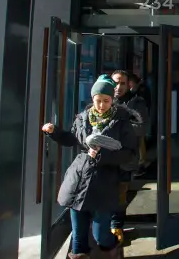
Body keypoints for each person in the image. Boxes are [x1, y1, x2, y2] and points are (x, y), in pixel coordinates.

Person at [41, 75, 137, 259]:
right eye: (98, 100)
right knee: (78, 237)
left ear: (112, 100)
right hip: (79, 180)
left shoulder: (122, 122)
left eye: (106, 101)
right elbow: (71, 139)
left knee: (101, 234)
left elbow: (130, 153)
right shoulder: (82, 118)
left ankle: (111, 248)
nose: (101, 105)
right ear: (92, 99)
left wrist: (103, 155)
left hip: (104, 183)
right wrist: (55, 133)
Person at [109, 70, 148, 243]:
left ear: (129, 85)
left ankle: (116, 225)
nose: (119, 87)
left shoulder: (136, 103)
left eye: (123, 83)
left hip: (125, 158)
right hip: (104, 158)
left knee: (120, 194)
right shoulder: (103, 101)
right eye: (116, 82)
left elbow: (139, 128)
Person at [128, 73, 151, 177]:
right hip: (136, 124)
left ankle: (141, 164)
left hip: (138, 124)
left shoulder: (139, 95)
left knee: (140, 142)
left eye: (130, 82)